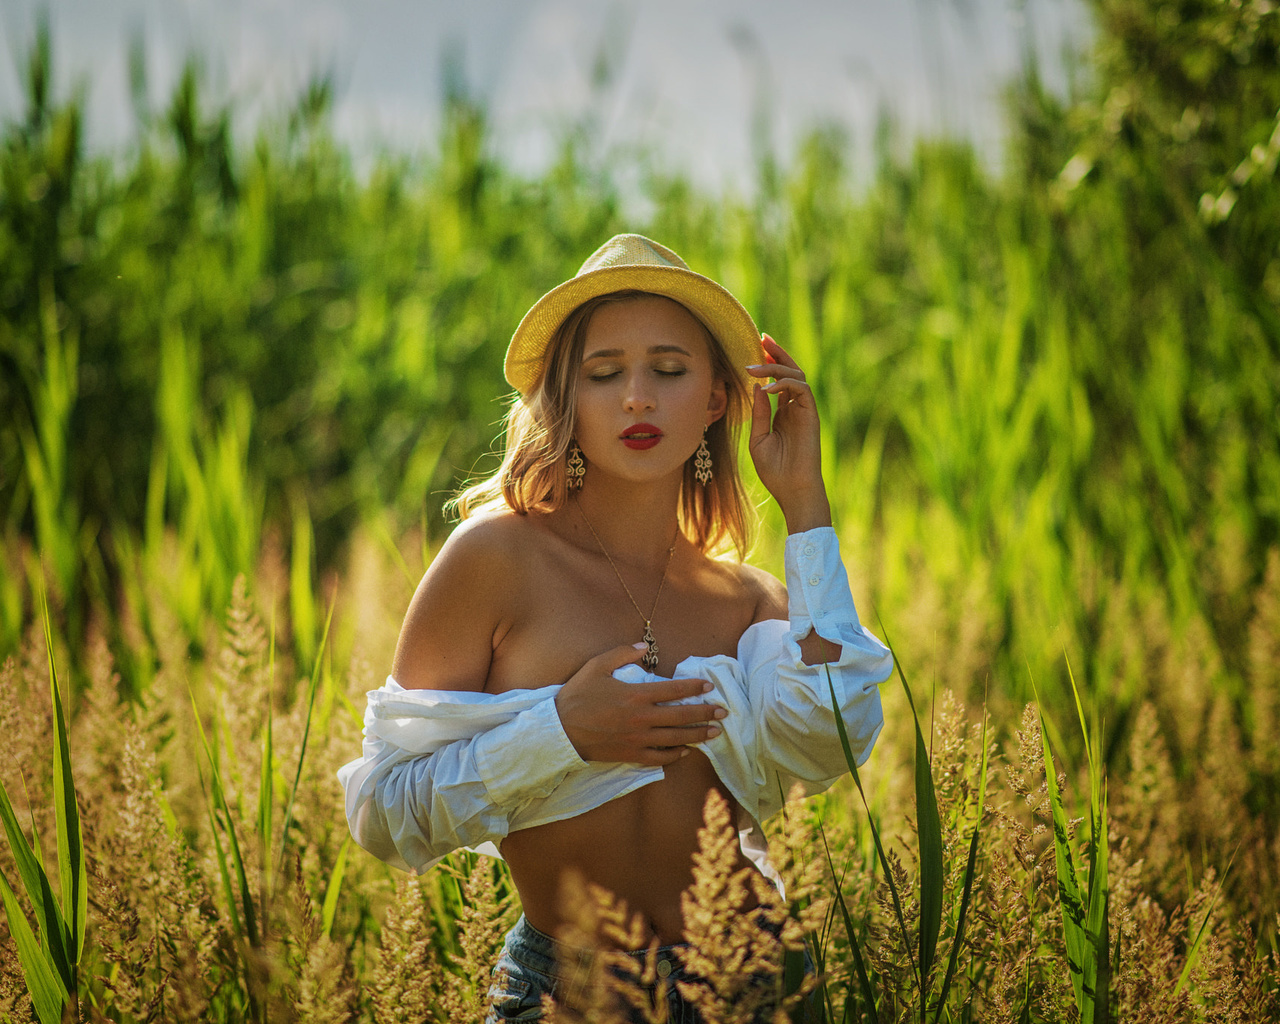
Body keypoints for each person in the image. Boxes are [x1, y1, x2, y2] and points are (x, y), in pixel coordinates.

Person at [338, 234, 893, 1022]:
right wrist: (560, 732)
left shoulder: (749, 600)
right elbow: (383, 814)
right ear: (566, 398)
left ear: (714, 399)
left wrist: (805, 502)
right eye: (605, 374)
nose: (637, 397)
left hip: (751, 983)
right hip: (570, 993)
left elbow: (833, 732)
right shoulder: (496, 558)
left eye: (669, 371)